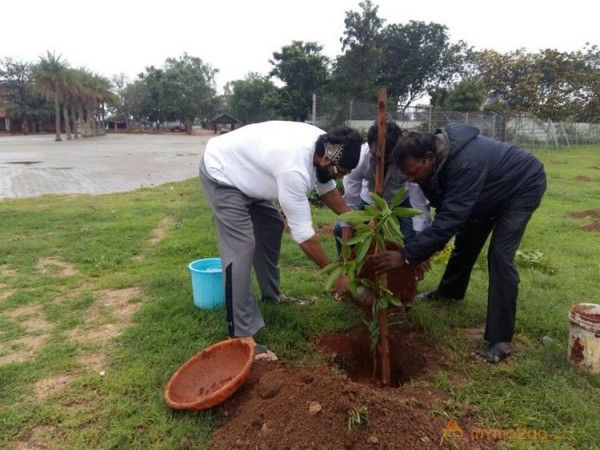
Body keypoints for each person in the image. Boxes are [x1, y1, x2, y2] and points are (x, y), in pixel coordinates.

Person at [372, 124, 547, 364]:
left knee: (499, 255)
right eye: (407, 175)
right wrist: (422, 250)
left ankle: (501, 340)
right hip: (486, 192)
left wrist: (407, 255)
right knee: (467, 239)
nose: (411, 180)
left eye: (414, 173)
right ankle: (450, 292)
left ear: (429, 158)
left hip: (521, 187)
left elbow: (451, 217)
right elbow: (446, 208)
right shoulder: (431, 165)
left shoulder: (466, 162)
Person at [199, 120, 363, 360]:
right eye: (341, 173)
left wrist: (360, 221)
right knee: (241, 246)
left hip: (252, 173)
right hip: (223, 174)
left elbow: (327, 188)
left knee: (271, 225)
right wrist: (335, 274)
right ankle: (241, 334)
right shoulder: (294, 169)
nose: (339, 179)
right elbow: (305, 237)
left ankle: (272, 296)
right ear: (326, 160)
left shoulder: (325, 144)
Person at [334, 120, 431, 255]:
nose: (382, 161)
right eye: (377, 155)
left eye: (388, 157)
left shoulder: (406, 161)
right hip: (369, 198)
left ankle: (410, 272)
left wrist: (421, 248)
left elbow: (419, 205)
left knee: (409, 237)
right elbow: (350, 204)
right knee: (340, 229)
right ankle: (348, 267)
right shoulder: (359, 160)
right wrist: (346, 250)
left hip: (400, 199)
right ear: (369, 146)